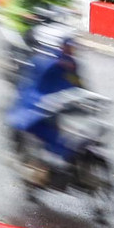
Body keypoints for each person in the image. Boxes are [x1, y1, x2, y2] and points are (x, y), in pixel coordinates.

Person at [7, 36, 81, 165]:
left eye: (73, 48)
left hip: (64, 103)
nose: (71, 51)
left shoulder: (71, 65)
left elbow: (78, 84)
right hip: (42, 104)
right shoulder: (47, 64)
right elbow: (34, 86)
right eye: (69, 48)